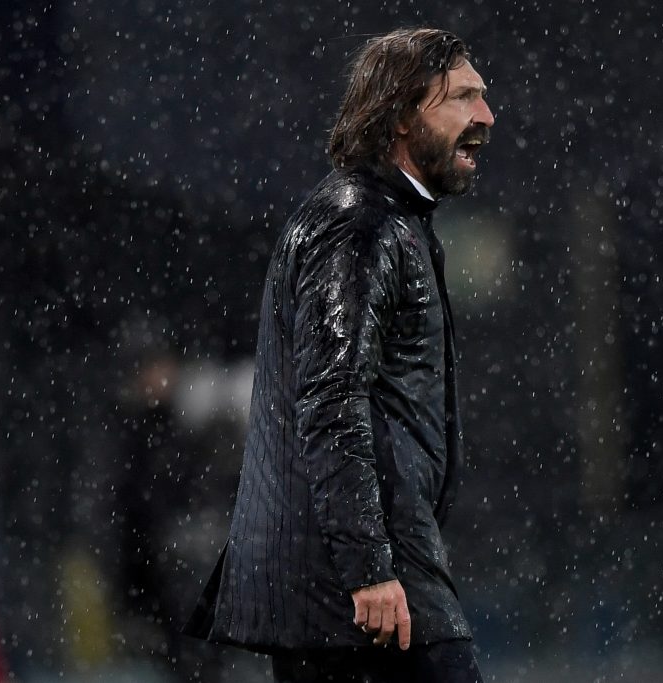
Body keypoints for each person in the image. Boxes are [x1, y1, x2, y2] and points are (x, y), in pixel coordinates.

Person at [183, 28, 494, 683]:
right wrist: (368, 568)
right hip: (353, 589)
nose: (486, 116)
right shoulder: (360, 222)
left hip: (351, 578)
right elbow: (331, 400)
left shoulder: (386, 219)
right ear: (402, 114)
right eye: (463, 97)